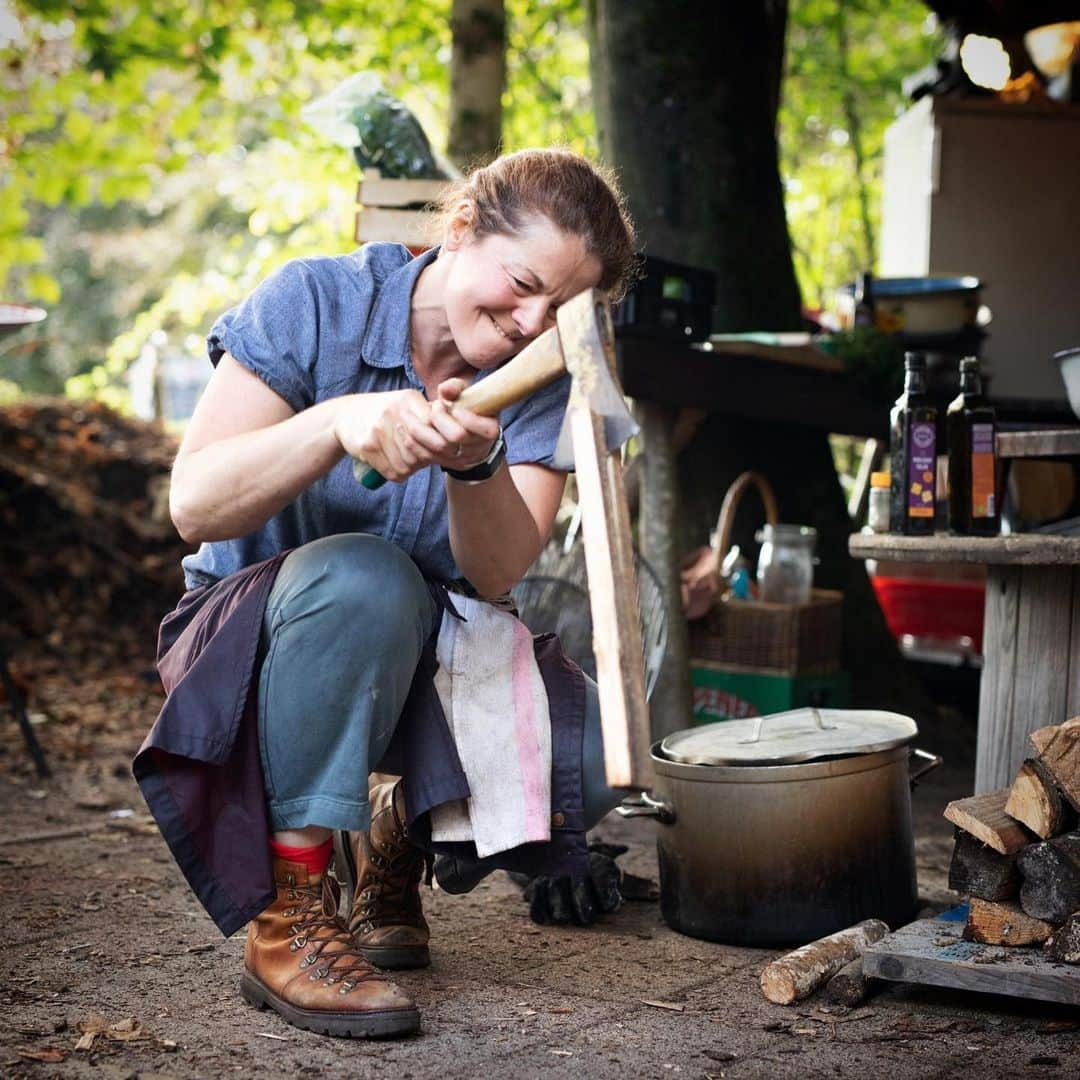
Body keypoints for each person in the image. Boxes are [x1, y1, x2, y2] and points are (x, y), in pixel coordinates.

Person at [133, 147, 640, 1039]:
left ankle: (394, 830)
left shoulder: (541, 376)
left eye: (559, 308)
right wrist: (335, 425)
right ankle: (289, 914)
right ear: (459, 230)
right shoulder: (314, 303)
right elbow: (193, 504)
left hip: (419, 655)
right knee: (367, 577)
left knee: (591, 755)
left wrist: (473, 464)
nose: (531, 321)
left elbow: (491, 576)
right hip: (250, 647)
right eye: (522, 283)